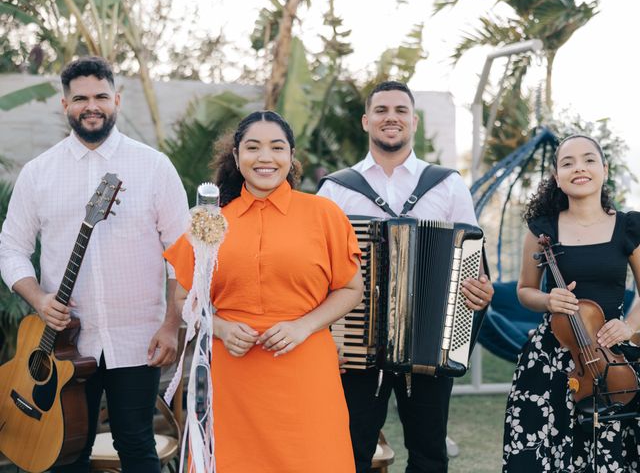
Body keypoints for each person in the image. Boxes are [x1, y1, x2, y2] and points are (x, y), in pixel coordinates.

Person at [0, 56, 189, 472]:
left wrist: (171, 323)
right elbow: (10, 248)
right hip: (63, 345)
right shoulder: (38, 173)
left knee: (136, 444)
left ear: (117, 100)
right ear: (64, 104)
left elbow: (184, 256)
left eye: (101, 96)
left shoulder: (154, 167)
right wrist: (38, 297)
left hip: (140, 339)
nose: (92, 106)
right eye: (81, 98)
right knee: (65, 455)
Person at [163, 110, 363, 472]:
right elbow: (183, 298)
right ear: (237, 158)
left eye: (277, 147)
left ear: (291, 156)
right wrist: (220, 328)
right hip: (234, 378)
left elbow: (351, 289)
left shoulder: (324, 214)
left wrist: (303, 326)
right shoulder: (210, 221)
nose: (265, 157)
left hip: (307, 371)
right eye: (253, 147)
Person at [317, 80, 494, 473]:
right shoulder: (334, 190)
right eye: (381, 110)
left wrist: (480, 291)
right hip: (353, 346)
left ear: (413, 121)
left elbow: (473, 262)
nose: (390, 118)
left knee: (430, 450)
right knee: (349, 449)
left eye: (400, 111)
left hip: (428, 343)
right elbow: (317, 271)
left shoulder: (447, 184)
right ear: (366, 121)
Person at [502, 134, 640, 471]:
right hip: (551, 356)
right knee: (540, 453)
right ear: (557, 176)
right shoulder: (543, 229)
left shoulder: (628, 226)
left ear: (604, 169)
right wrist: (548, 299)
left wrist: (629, 326)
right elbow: (525, 290)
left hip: (613, 355)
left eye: (589, 160)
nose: (579, 168)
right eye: (568, 162)